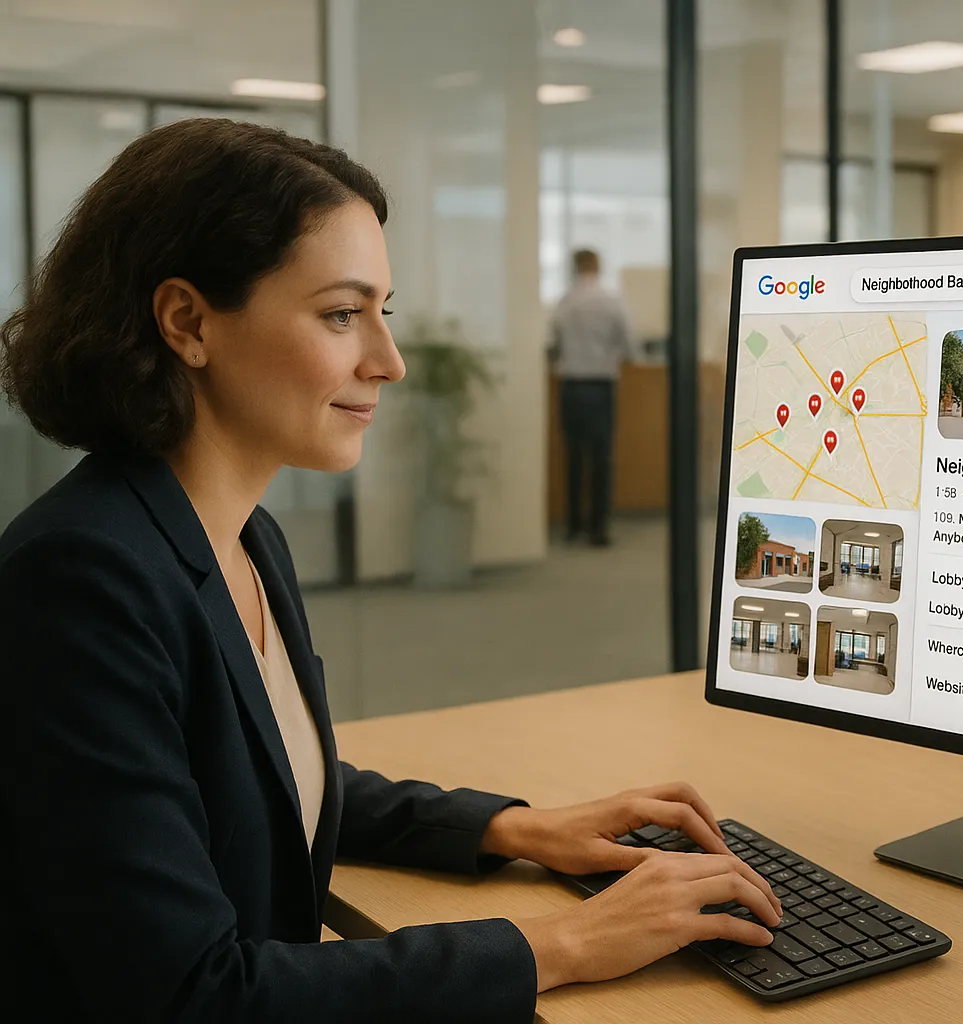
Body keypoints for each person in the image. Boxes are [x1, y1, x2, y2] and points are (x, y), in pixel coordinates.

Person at [0, 119, 778, 1022]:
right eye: (340, 313)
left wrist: (512, 828)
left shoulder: (239, 536)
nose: (389, 360)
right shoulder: (81, 583)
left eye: (384, 311)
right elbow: (191, 995)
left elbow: (254, 771)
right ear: (188, 322)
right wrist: (563, 944)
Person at [548, 248, 633, 546]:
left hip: (571, 385)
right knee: (601, 458)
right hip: (601, 385)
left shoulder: (564, 301)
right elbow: (629, 344)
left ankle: (573, 526)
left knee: (573, 456)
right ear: (598, 266)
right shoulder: (611, 301)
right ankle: (599, 529)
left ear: (574, 267)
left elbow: (553, 342)